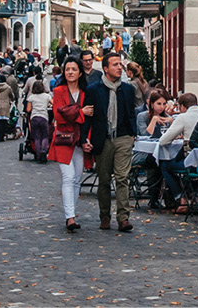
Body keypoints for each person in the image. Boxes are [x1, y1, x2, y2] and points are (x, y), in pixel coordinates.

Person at [87, 52, 138, 232]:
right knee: (104, 179)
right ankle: (105, 216)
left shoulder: (128, 89)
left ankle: (123, 218)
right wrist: (86, 138)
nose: (119, 67)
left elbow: (132, 112)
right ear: (106, 68)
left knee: (123, 178)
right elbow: (90, 116)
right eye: (115, 65)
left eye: (120, 64)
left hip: (123, 137)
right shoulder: (94, 89)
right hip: (103, 138)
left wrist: (132, 133)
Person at [52, 57, 93, 232]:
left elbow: (90, 117)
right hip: (63, 138)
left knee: (77, 179)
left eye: (73, 69)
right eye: (67, 69)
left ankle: (72, 213)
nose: (70, 72)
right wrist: (80, 112)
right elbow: (59, 115)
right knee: (68, 177)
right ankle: (69, 217)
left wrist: (87, 138)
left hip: (80, 140)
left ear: (80, 73)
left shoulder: (86, 93)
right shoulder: (59, 91)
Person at [158, 92, 198, 214]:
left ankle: (181, 197)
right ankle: (194, 196)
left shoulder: (183, 117)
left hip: (191, 161)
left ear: (183, 106)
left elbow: (164, 140)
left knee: (165, 166)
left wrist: (177, 136)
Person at [26, 76, 53, 162]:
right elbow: (54, 103)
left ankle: (38, 155)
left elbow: (28, 109)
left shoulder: (31, 97)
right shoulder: (46, 96)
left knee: (36, 137)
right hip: (44, 117)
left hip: (34, 117)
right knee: (45, 136)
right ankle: (44, 151)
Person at [0, 71, 15, 143]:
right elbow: (12, 96)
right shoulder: (8, 87)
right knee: (4, 122)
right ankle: (1, 136)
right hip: (5, 105)